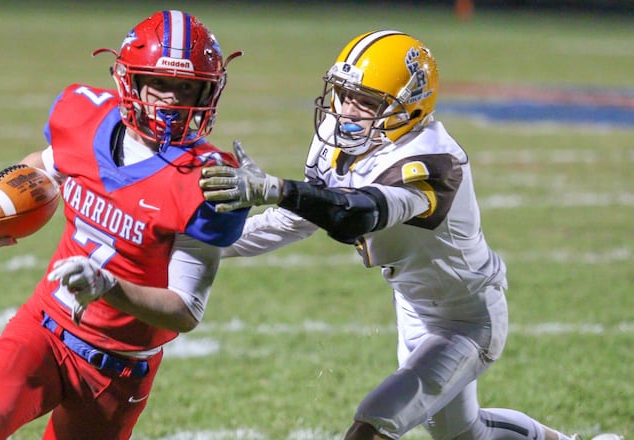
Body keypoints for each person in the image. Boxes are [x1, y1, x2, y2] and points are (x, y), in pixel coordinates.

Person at [199, 31, 623, 440]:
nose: (347, 111)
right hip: (415, 307)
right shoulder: (337, 143)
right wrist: (205, 240)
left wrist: (278, 189)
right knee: (464, 433)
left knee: (372, 428)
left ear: (410, 107)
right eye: (345, 95)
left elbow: (356, 215)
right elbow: (299, 220)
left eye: (365, 102)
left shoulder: (432, 162)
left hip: (466, 319)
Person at [0, 10, 247, 440]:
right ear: (131, 80)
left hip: (119, 369)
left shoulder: (206, 180)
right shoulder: (86, 118)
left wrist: (108, 287)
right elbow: (43, 169)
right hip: (43, 329)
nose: (173, 99)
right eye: (160, 83)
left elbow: (185, 309)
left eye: (186, 87)